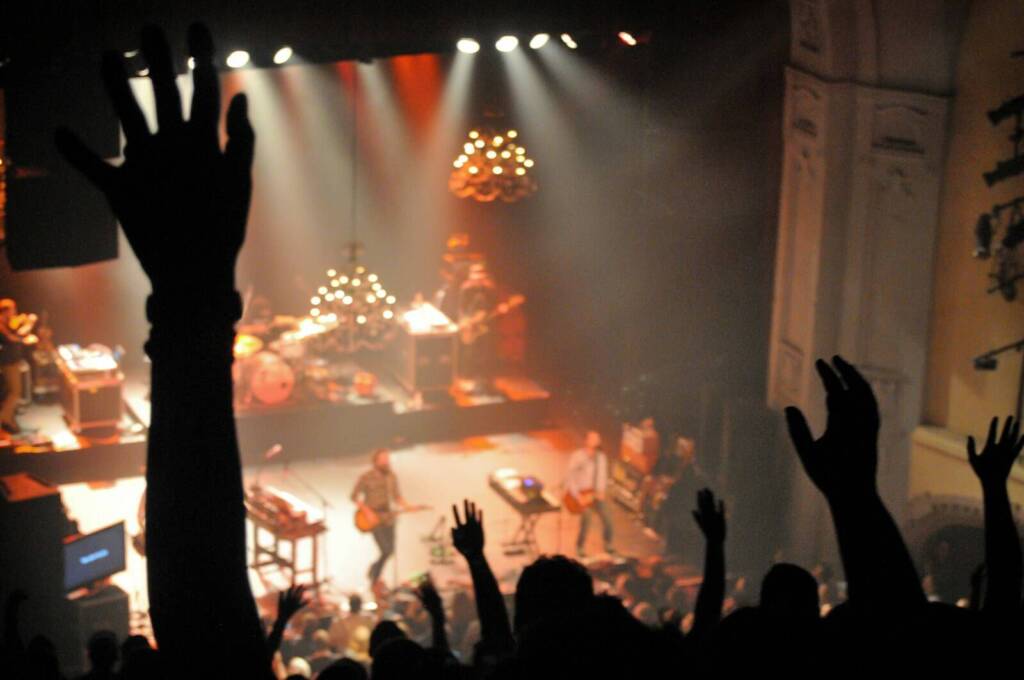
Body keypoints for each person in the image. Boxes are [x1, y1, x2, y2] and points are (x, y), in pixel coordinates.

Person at [351, 448, 414, 598]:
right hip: (373, 517)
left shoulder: (392, 476)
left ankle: (374, 572)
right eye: (384, 459)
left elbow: (397, 496)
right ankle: (373, 575)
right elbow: (354, 496)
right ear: (376, 461)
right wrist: (367, 511)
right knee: (385, 549)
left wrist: (408, 507)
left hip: (388, 516)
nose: (387, 461)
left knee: (390, 550)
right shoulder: (366, 477)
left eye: (388, 458)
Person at [565, 430, 615, 557]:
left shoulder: (601, 457)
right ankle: (580, 546)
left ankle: (608, 544)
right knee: (586, 519)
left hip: (595, 494)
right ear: (586, 440)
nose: (595, 441)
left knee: (608, 519)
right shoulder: (578, 456)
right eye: (592, 439)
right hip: (581, 493)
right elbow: (570, 477)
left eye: (597, 439)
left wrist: (601, 491)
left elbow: (603, 476)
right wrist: (578, 496)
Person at [457, 263, 499, 394]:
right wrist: (465, 322)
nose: (479, 279)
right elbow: (461, 308)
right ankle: (469, 382)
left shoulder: (490, 289)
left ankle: (485, 382)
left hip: (486, 327)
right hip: (470, 326)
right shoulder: (466, 289)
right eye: (476, 276)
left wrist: (499, 310)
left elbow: (493, 307)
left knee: (486, 354)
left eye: (481, 276)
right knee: (470, 353)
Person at [0, 298, 32, 435]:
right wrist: (25, 338)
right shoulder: (1, 324)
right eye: (13, 309)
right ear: (6, 311)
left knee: (11, 391)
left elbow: (16, 331)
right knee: (15, 391)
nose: (15, 312)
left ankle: (8, 418)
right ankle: (4, 419)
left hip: (13, 361)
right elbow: (11, 338)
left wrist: (26, 323)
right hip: (8, 362)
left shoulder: (8, 322)